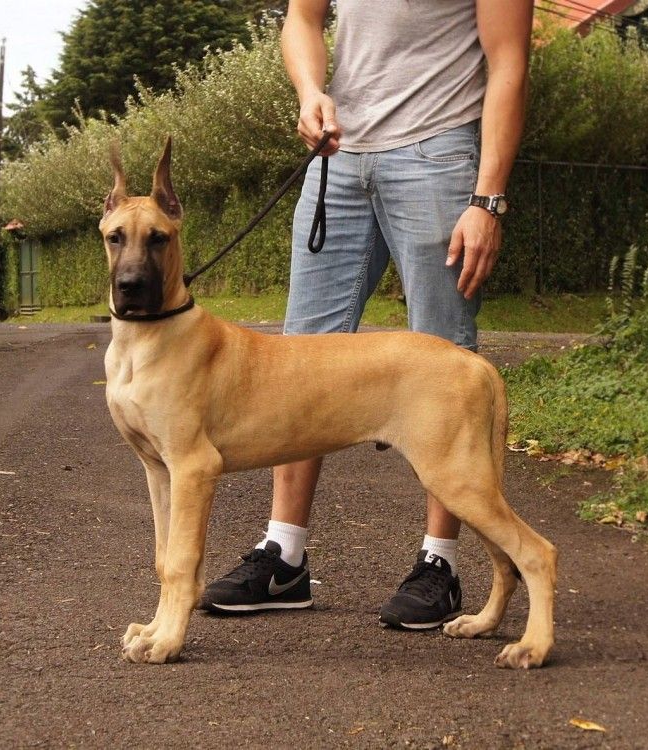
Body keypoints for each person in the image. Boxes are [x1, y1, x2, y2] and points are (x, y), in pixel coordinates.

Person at [200, 0, 532, 629]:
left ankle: (439, 563)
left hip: (437, 156)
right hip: (339, 160)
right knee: (297, 362)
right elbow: (302, 17)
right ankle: (284, 556)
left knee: (442, 365)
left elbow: (509, 62)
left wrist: (488, 198)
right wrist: (310, 91)